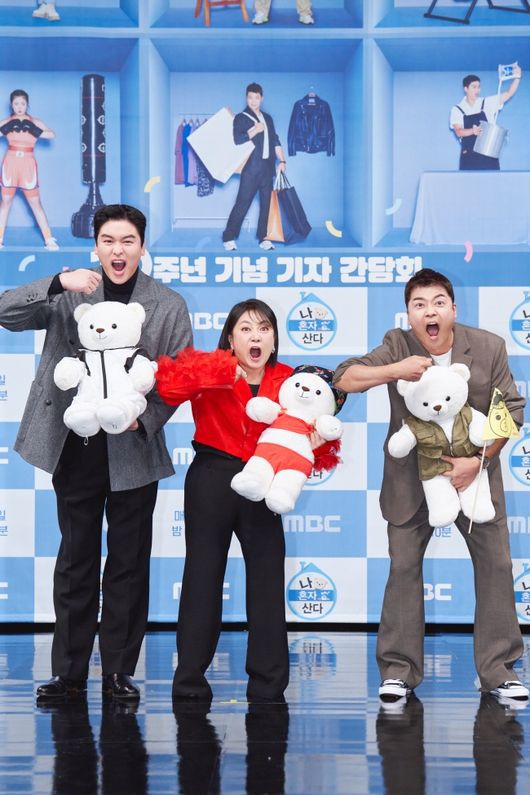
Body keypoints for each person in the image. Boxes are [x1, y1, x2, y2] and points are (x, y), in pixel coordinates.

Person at [0, 204, 192, 701]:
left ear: (142, 247)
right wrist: (57, 282)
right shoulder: (72, 292)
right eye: (109, 241)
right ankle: (68, 673)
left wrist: (143, 418)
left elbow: (178, 379)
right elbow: (5, 311)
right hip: (75, 445)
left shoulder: (167, 303)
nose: (118, 251)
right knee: (75, 560)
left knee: (128, 563)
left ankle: (118, 672)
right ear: (96, 247)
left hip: (134, 448)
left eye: (128, 241)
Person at [334, 268, 528, 706]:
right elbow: (344, 379)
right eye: (419, 305)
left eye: (438, 303)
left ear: (453, 309)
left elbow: (511, 411)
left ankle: (499, 672)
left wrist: (478, 462)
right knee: (403, 568)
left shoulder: (489, 347)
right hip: (412, 480)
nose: (430, 312)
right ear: (409, 315)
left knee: (496, 565)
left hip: (475, 476)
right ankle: (398, 673)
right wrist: (395, 370)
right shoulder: (397, 345)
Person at [156, 299, 293, 701]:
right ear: (230, 339)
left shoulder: (288, 379)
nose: (256, 337)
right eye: (246, 329)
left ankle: (268, 684)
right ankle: (189, 681)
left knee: (267, 581)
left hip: (262, 481)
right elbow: (168, 389)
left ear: (274, 339)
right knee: (202, 577)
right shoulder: (210, 368)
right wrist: (217, 369)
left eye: (264, 328)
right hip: (212, 478)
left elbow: (313, 420)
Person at [222, 83, 286, 252]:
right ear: (246, 98)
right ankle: (228, 237)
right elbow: (237, 139)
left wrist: (282, 161)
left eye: (256, 97)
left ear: (261, 98)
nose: (253, 101)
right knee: (242, 204)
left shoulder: (268, 118)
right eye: (250, 97)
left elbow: (275, 140)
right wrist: (255, 131)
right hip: (251, 169)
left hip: (267, 168)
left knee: (266, 205)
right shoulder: (241, 118)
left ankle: (263, 238)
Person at [0, 89, 59, 249]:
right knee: (5, 202)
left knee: (35, 202)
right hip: (10, 163)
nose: (19, 106)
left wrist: (35, 130)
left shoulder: (35, 121)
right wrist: (5, 128)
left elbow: (52, 135)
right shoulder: (6, 121)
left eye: (22, 103)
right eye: (16, 103)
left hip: (27, 165)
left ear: (27, 104)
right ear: (12, 105)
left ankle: (48, 239)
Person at [450, 67, 522, 170]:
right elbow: (458, 131)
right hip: (469, 157)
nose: (477, 90)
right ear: (466, 89)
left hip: (489, 156)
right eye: (474, 87)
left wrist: (517, 77)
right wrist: (473, 131)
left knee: (493, 180)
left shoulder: (487, 103)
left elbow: (508, 93)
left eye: (479, 87)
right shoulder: (457, 109)